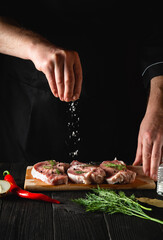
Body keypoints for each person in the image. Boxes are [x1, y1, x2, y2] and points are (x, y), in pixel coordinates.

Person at [0, 3, 163, 181]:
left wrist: (159, 108)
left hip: (123, 102)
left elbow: (156, 30)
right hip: (30, 105)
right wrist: (32, 46)